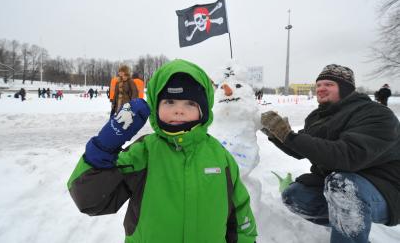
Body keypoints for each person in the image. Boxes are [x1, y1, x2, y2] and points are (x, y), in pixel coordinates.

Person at [67, 59, 257, 242]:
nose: (179, 110)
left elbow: (240, 212)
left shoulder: (220, 157)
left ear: (204, 110)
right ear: (155, 106)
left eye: (190, 103)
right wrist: (104, 147)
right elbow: (89, 200)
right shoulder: (144, 153)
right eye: (169, 102)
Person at [260, 64, 400, 243]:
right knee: (294, 195)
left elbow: (347, 156)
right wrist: (276, 134)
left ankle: (350, 233)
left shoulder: (376, 114)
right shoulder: (319, 117)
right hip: (345, 185)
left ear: (346, 88)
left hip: (385, 190)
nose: (321, 89)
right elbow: (301, 149)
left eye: (329, 84)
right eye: (318, 85)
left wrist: (288, 137)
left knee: (343, 186)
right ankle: (348, 227)